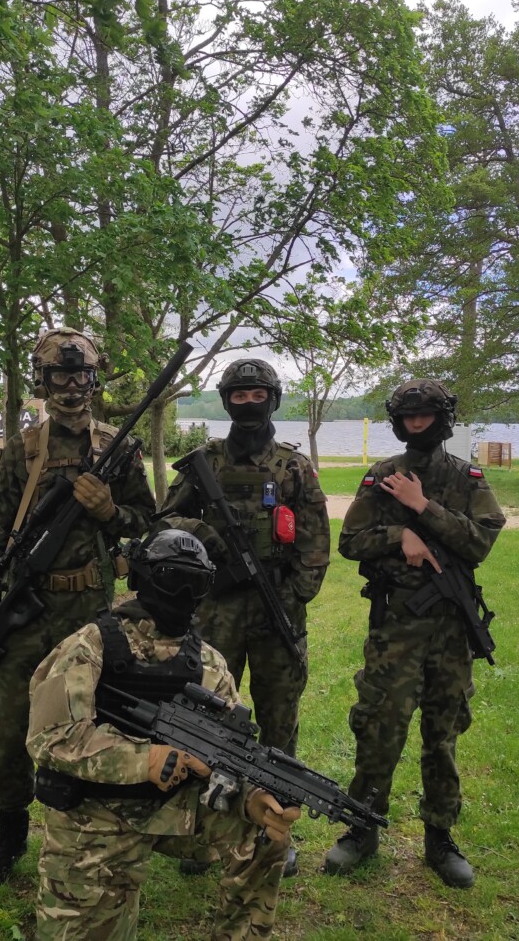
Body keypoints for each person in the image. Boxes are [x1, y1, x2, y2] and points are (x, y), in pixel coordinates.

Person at [0, 327, 156, 885]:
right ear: (43, 382)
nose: (71, 386)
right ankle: (10, 832)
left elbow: (147, 522)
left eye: (80, 374)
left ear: (93, 381)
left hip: (88, 615)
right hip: (24, 611)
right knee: (10, 729)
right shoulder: (24, 449)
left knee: (90, 722)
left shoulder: (117, 449)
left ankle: (87, 828)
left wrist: (110, 512)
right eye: (60, 375)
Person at [26, 529, 302, 940]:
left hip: (174, 806)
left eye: (197, 583)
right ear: (142, 577)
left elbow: (230, 752)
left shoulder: (209, 663)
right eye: (173, 578)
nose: (184, 593)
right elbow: (49, 737)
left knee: (265, 834)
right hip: (95, 814)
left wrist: (251, 798)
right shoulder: (90, 646)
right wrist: (145, 759)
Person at [321, 379, 505, 889]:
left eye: (424, 415)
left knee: (442, 735)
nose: (416, 424)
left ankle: (439, 837)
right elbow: (350, 541)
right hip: (397, 626)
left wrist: (423, 508)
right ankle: (362, 827)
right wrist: (398, 534)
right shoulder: (383, 476)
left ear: (442, 419)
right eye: (408, 417)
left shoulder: (467, 478)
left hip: (450, 629)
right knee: (380, 728)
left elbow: (480, 542)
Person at [155, 358, 329, 876]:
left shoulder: (294, 467)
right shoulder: (205, 461)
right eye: (239, 395)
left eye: (258, 395)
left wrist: (293, 597)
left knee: (279, 721)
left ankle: (276, 831)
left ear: (272, 400)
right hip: (217, 608)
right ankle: (204, 831)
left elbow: (316, 542)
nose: (248, 404)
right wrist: (207, 539)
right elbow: (165, 520)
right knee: (207, 717)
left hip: (278, 608)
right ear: (226, 400)